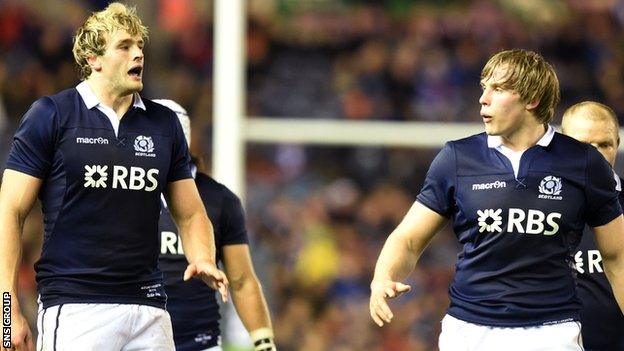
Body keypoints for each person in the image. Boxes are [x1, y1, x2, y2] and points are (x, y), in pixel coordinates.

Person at [0, 4, 228, 351]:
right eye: (124, 46)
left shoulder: (164, 124)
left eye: (140, 46)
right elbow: (9, 211)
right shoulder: (52, 115)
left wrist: (202, 257)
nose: (138, 53)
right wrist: (7, 312)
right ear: (94, 59)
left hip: (150, 309)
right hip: (77, 308)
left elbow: (192, 213)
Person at [369, 49, 624, 350]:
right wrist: (382, 277)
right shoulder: (457, 158)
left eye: (498, 89)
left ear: (531, 100)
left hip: (552, 332)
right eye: (484, 87)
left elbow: (617, 256)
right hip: (469, 330)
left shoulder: (583, 163)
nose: (483, 98)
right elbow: (408, 239)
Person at [154, 99, 276, 351]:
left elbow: (242, 280)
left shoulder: (220, 201)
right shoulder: (123, 191)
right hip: (131, 337)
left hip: (198, 341)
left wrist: (264, 345)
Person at [561, 101, 624, 350]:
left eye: (604, 144)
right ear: (562, 147)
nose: (595, 154)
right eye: (584, 146)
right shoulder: (537, 206)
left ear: (617, 145)